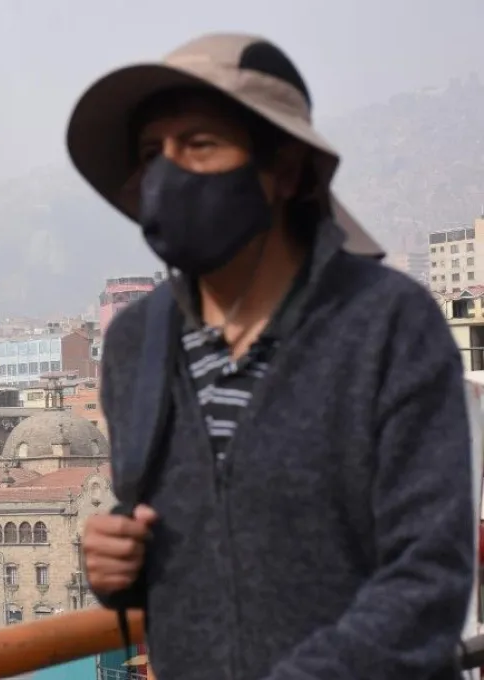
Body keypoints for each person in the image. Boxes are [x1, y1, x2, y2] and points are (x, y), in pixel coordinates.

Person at [68, 33, 475, 680]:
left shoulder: (387, 325)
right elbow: (191, 547)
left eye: (199, 145)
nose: (168, 171)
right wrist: (116, 565)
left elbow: (428, 578)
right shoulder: (135, 346)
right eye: (152, 153)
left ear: (283, 170)